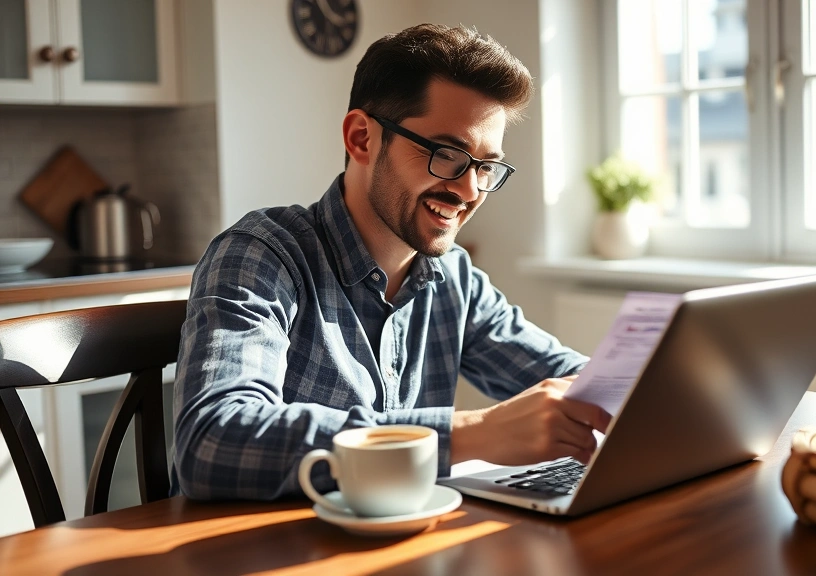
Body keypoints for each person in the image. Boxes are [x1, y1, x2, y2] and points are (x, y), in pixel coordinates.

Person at [172, 23, 611, 500]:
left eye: (485, 167)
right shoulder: (261, 255)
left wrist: (650, 390)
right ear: (362, 138)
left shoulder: (454, 278)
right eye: (447, 154)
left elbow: (571, 378)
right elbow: (213, 439)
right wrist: (471, 433)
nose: (468, 191)